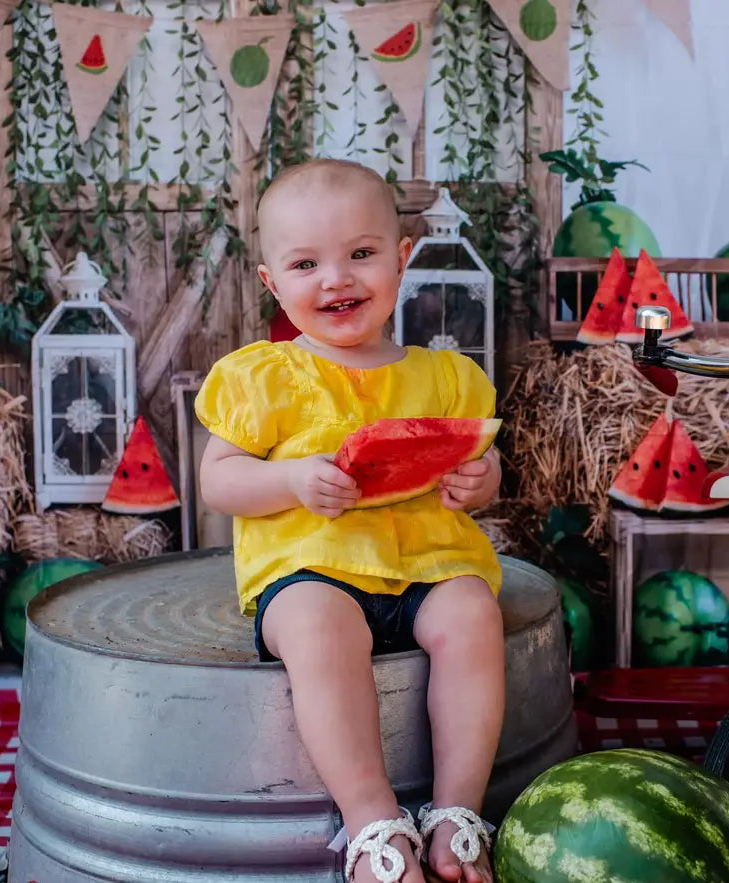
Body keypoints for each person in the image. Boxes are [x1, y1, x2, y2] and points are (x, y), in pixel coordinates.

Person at [194, 158, 505, 883]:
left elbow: (485, 477)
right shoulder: (264, 375)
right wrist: (291, 479)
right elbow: (218, 480)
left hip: (430, 565)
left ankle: (457, 813)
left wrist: (479, 478)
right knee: (317, 626)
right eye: (306, 263)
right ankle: (372, 820)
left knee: (473, 614)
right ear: (273, 283)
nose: (336, 280)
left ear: (402, 261)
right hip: (311, 572)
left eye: (361, 254)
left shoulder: (447, 375)